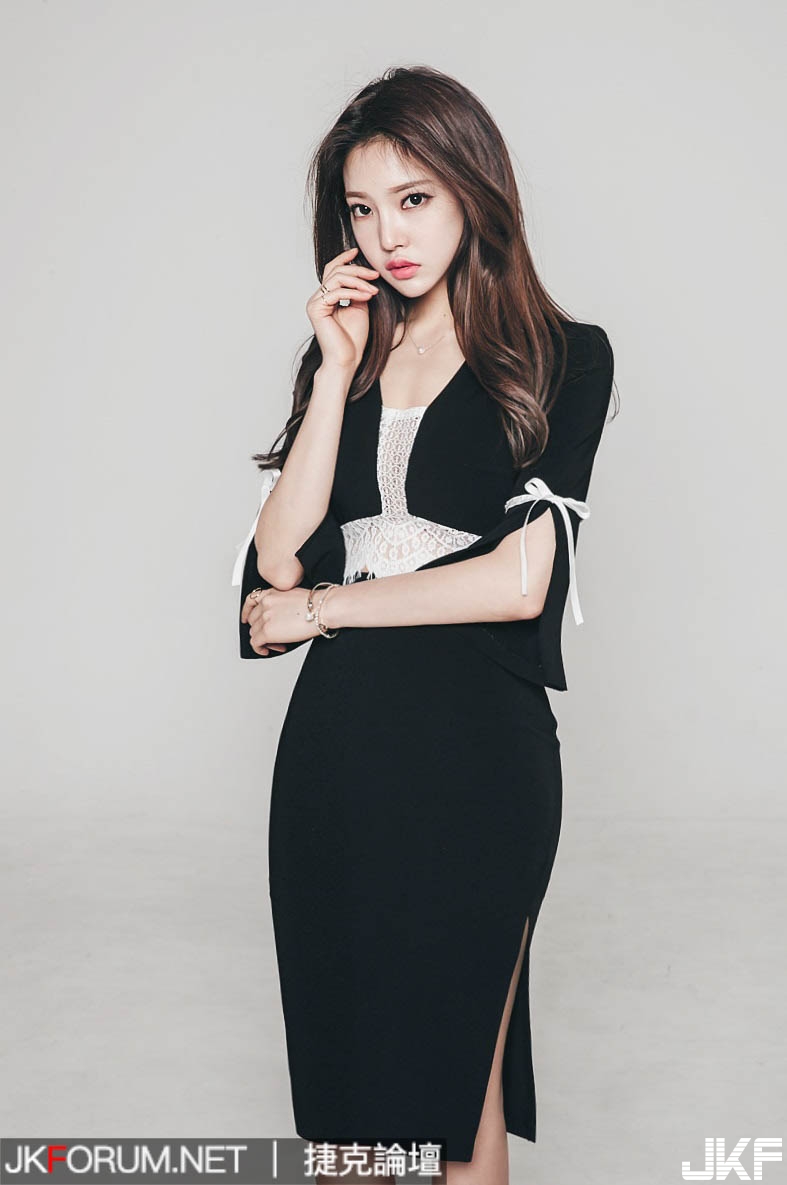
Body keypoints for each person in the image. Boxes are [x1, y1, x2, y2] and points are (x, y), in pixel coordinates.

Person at [232, 65, 617, 1185]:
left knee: (454, 1090)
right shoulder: (346, 359)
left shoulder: (560, 355)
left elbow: (519, 580)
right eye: (361, 209)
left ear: (471, 192)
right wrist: (335, 370)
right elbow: (274, 561)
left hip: (475, 755)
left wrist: (323, 609)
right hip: (335, 753)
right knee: (349, 1114)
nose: (386, 234)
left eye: (413, 199)